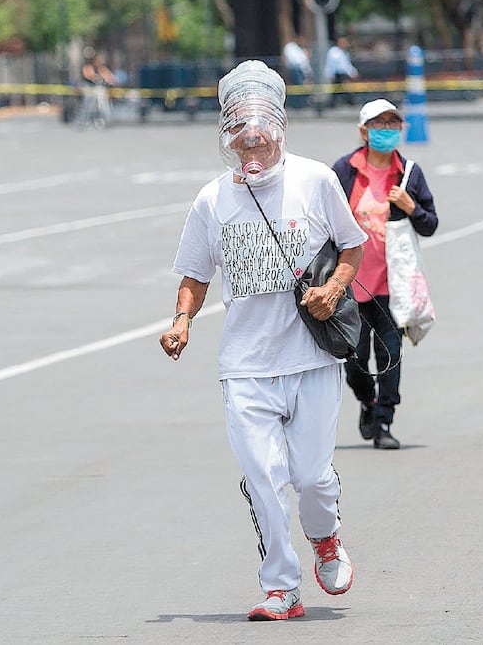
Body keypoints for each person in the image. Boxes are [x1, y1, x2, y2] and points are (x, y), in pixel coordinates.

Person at [159, 60, 366, 620]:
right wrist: (182, 321)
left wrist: (333, 289)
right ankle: (281, 588)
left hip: (311, 358)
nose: (251, 143)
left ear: (278, 127)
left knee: (311, 477)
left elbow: (352, 246)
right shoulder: (212, 199)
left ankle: (325, 537)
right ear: (227, 136)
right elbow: (195, 273)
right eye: (239, 133)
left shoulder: (315, 180)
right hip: (246, 365)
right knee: (264, 478)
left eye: (259, 131)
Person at [332, 99, 438, 450]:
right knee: (355, 359)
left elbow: (430, 224)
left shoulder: (409, 174)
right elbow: (323, 220)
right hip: (350, 285)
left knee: (390, 354)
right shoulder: (344, 171)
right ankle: (368, 400)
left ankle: (384, 423)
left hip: (393, 285)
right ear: (364, 132)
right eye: (379, 125)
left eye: (393, 124)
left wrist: (411, 207)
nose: (387, 131)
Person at [324, 37, 359, 106]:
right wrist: (329, 74)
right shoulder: (333, 51)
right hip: (337, 74)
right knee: (336, 89)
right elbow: (330, 64)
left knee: (346, 88)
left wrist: (353, 72)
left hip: (343, 74)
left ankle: (350, 101)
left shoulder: (344, 52)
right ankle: (332, 103)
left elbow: (347, 65)